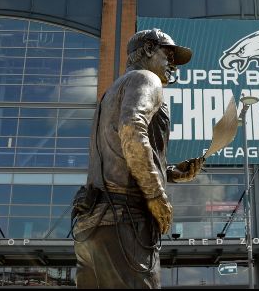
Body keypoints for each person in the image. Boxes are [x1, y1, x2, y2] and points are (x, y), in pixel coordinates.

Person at [72, 29, 204, 289]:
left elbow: (120, 153)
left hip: (92, 227)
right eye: (167, 55)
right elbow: (132, 128)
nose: (171, 64)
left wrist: (171, 173)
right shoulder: (146, 78)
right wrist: (156, 195)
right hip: (124, 225)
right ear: (147, 50)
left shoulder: (110, 93)